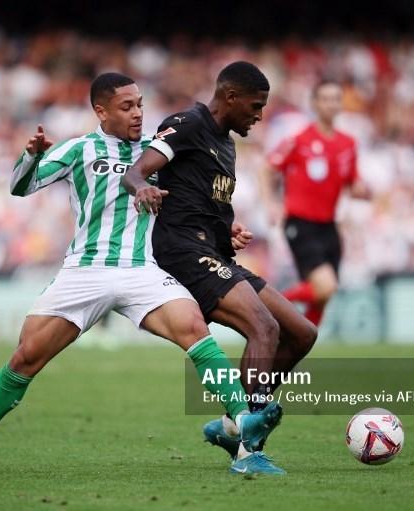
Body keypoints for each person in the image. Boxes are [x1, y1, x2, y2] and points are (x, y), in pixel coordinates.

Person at [0, 73, 283, 476]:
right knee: (25, 358)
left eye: (140, 104)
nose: (138, 113)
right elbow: (20, 187)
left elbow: (191, 203)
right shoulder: (80, 149)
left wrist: (224, 229)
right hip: (84, 271)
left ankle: (245, 444)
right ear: (100, 111)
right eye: (127, 107)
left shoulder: (158, 151)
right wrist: (31, 156)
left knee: (195, 329)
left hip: (141, 270)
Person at [123, 62, 318, 465]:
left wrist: (228, 230)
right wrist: (142, 187)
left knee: (301, 332)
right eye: (256, 105)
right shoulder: (188, 123)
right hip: (182, 251)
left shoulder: (227, 143)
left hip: (213, 250)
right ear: (230, 97)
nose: (259, 115)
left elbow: (203, 200)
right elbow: (136, 171)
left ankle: (233, 427)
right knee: (263, 327)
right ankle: (250, 445)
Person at [268, 79, 371, 326]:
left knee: (323, 296)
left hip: (329, 226)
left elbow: (352, 183)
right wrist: (272, 203)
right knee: (325, 287)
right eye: (325, 98)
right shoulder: (299, 139)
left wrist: (362, 190)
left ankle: (298, 345)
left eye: (336, 99)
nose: (331, 104)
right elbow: (267, 168)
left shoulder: (348, 144)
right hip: (301, 223)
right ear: (314, 103)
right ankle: (267, 303)